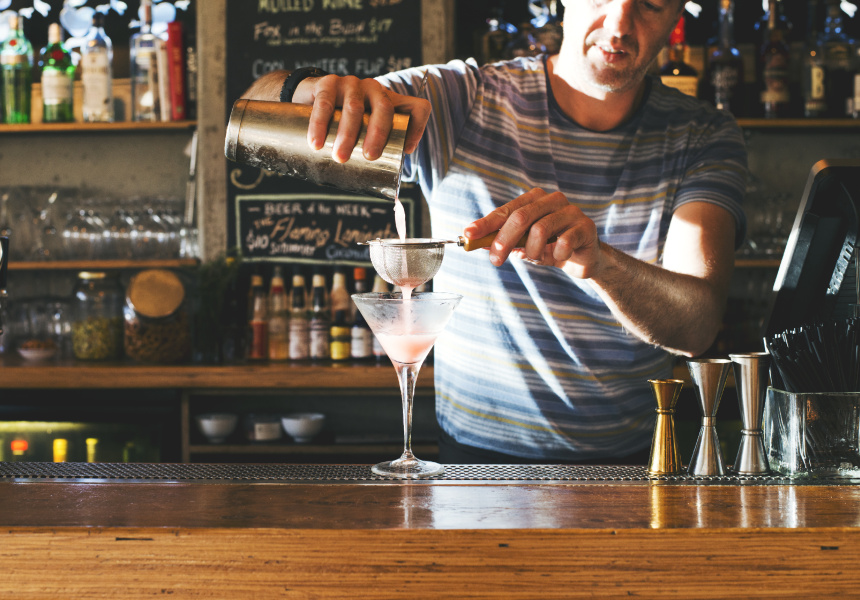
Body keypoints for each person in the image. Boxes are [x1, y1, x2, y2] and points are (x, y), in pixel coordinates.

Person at [241, 0, 747, 464]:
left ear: (678, 15)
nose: (619, 24)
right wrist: (312, 91)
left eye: (651, 3)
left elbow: (698, 326)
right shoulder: (462, 99)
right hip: (473, 465)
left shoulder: (703, 135)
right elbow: (247, 122)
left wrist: (600, 262)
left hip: (633, 468)